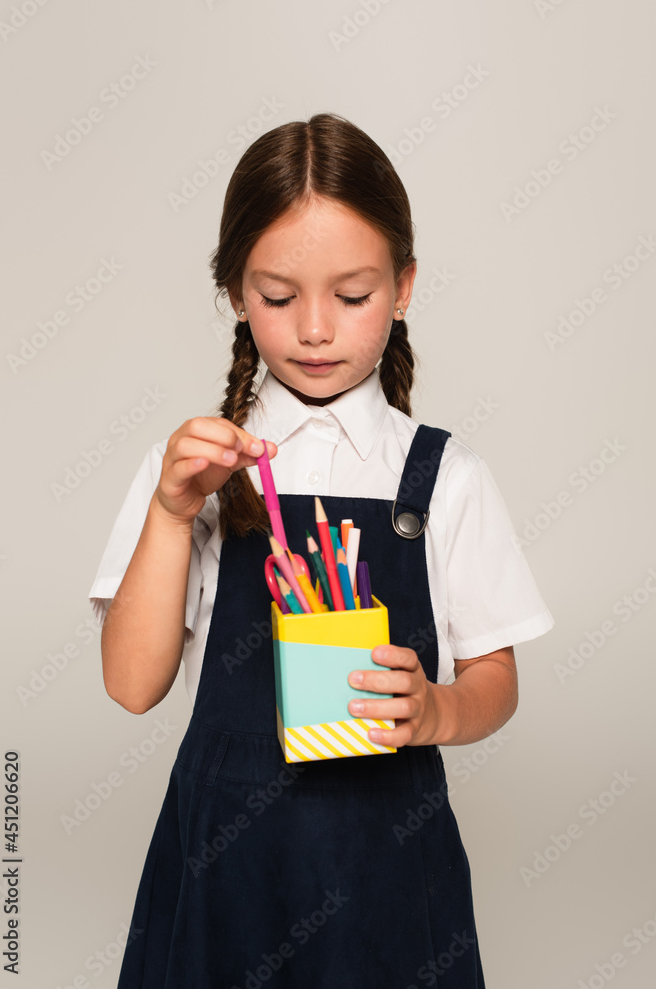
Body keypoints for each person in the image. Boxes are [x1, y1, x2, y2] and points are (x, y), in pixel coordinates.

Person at [89, 112, 554, 987]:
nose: (314, 330)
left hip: (385, 861)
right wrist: (167, 511)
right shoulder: (189, 468)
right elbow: (131, 685)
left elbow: (495, 680)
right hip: (224, 865)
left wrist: (436, 711)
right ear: (234, 291)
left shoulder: (443, 475)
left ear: (404, 286)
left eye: (351, 297)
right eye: (276, 296)